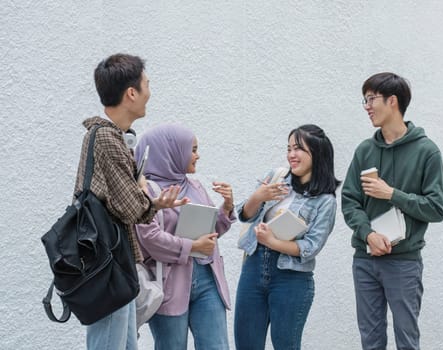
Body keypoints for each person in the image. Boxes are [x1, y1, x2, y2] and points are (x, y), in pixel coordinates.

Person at [76, 53, 188, 350]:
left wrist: (148, 200)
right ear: (131, 93)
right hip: (108, 265)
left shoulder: (111, 136)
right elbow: (131, 206)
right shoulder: (106, 138)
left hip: (114, 263)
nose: (149, 92)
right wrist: (153, 203)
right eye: (147, 85)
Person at [341, 72, 443, 350]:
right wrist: (368, 235)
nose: (366, 106)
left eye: (371, 98)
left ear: (392, 101)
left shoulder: (427, 152)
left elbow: (437, 208)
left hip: (404, 262)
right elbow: (349, 200)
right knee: (371, 340)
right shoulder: (364, 150)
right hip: (365, 260)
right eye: (364, 99)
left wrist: (391, 194)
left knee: (407, 340)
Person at [234, 124, 340, 350]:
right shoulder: (275, 177)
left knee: (286, 345)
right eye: (289, 148)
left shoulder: (325, 200)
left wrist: (273, 242)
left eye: (299, 148)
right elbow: (244, 214)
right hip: (253, 268)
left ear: (317, 152)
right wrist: (258, 196)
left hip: (291, 278)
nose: (292, 154)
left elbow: (310, 247)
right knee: (246, 344)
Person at [135, 123, 235, 350]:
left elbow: (212, 232)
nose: (197, 155)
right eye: (193, 149)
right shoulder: (147, 191)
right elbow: (149, 238)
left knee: (217, 346)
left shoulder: (196, 186)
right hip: (169, 283)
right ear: (172, 151)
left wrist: (226, 208)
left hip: (208, 279)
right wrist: (191, 246)